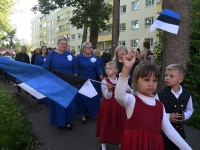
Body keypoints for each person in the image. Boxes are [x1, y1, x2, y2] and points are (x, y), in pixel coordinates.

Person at [114, 50, 192, 150]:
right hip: (134, 145)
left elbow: (170, 131)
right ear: (135, 81)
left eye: (154, 80)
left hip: (153, 145)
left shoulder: (160, 106)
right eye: (146, 80)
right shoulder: (132, 101)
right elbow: (119, 96)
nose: (151, 84)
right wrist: (126, 68)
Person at [96, 61, 133, 150]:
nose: (107, 70)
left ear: (115, 70)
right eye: (106, 69)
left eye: (110, 69)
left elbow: (132, 92)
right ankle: (103, 144)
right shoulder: (105, 81)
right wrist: (109, 90)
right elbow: (107, 96)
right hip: (108, 106)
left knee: (120, 123)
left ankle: (120, 142)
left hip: (119, 106)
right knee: (106, 123)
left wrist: (129, 90)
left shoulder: (121, 81)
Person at [43, 37, 78, 130]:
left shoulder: (71, 55)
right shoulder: (52, 54)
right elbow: (46, 67)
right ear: (58, 44)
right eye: (62, 43)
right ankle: (60, 121)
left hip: (68, 82)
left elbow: (75, 69)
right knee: (58, 102)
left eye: (65, 44)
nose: (64, 45)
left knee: (69, 102)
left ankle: (68, 121)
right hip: (56, 83)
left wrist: (73, 79)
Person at [157, 64, 194, 150]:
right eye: (166, 75)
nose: (167, 78)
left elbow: (190, 110)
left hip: (179, 132)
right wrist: (168, 116)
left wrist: (185, 116)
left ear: (180, 79)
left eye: (171, 76)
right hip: (163, 133)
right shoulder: (160, 94)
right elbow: (155, 113)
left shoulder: (187, 94)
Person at [76, 42, 103, 124]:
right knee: (82, 97)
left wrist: (101, 77)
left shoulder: (95, 58)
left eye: (90, 47)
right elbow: (75, 68)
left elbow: (98, 69)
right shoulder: (78, 57)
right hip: (82, 81)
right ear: (83, 49)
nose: (89, 49)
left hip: (92, 80)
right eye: (87, 47)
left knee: (92, 97)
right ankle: (83, 115)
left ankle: (92, 112)